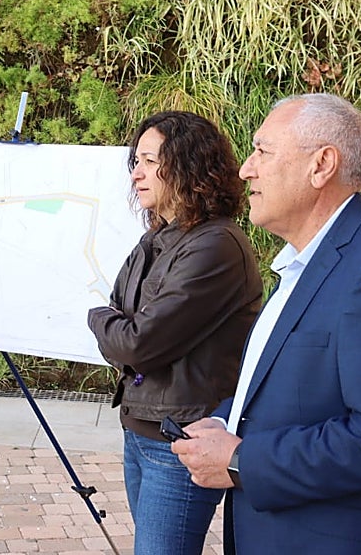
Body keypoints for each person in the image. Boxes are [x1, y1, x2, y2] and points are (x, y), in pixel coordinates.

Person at [173, 94, 361, 554]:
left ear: (321, 165)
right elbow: (302, 393)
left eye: (262, 150)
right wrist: (227, 420)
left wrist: (242, 460)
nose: (246, 169)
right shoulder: (310, 263)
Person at [86, 111, 262, 555]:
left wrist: (97, 320)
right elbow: (126, 324)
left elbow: (137, 344)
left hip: (180, 441)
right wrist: (118, 327)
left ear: (186, 165)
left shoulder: (215, 244)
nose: (136, 172)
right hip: (141, 429)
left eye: (148, 160)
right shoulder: (157, 239)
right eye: (135, 161)